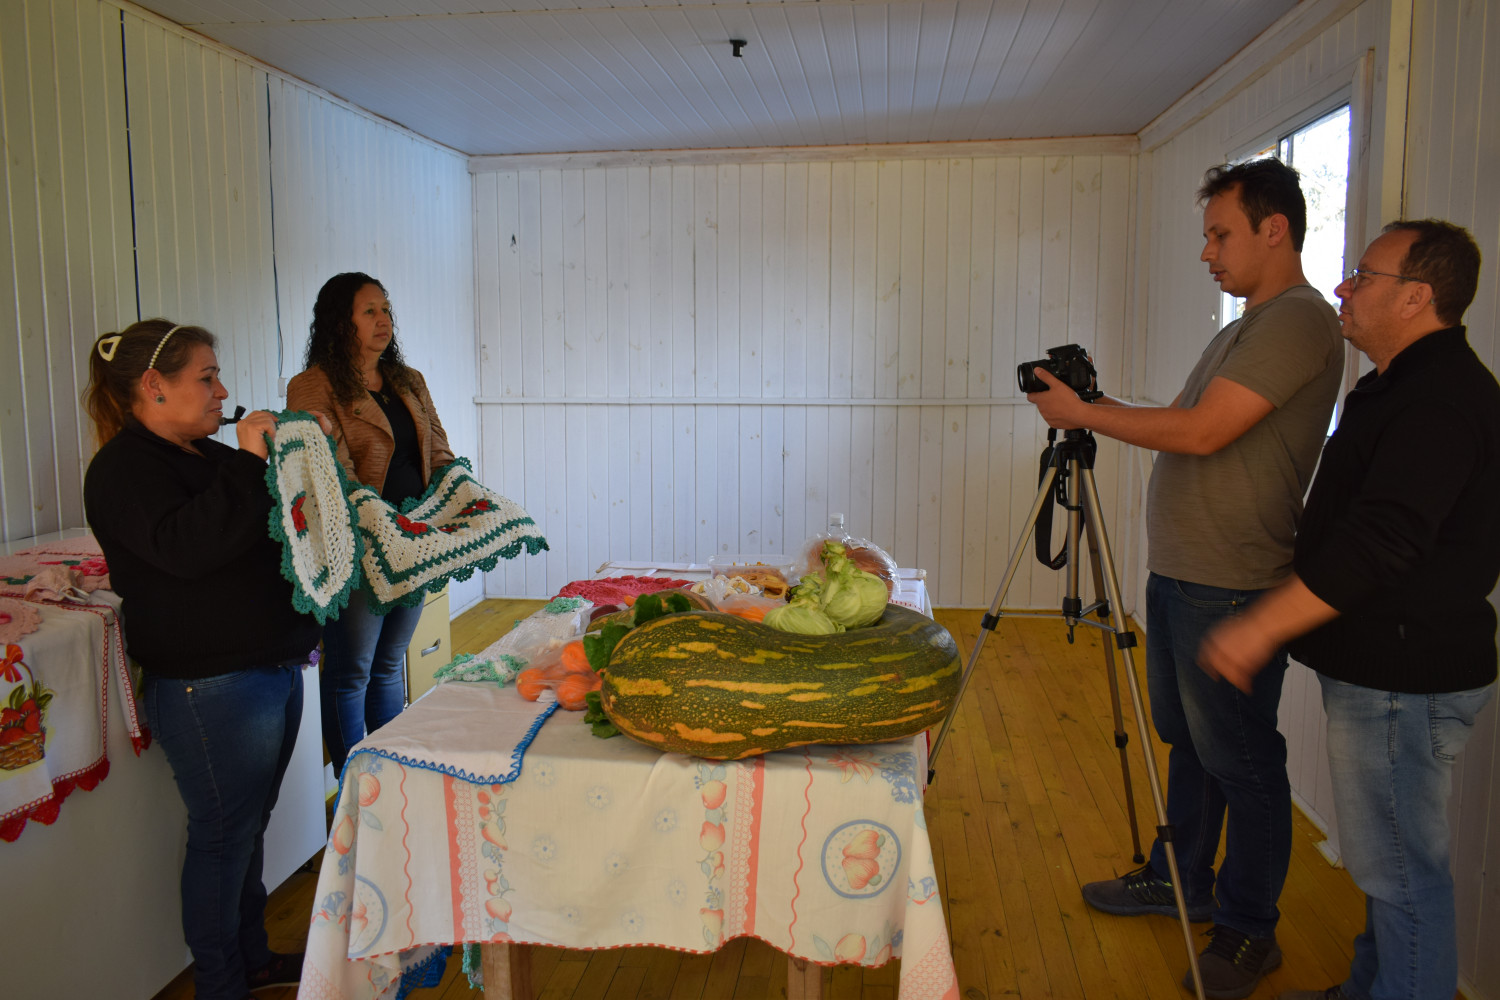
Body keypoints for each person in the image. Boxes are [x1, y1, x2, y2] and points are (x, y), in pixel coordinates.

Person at [1026, 158, 1344, 999]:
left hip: (1232, 581)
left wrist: (1086, 414)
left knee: (1242, 760)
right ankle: (1182, 880)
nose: (1208, 252)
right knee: (1192, 745)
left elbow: (1204, 434)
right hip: (1184, 574)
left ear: (1274, 228)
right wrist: (1095, 403)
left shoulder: (1300, 322)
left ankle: (1247, 934)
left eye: (1220, 233)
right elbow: (1194, 425)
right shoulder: (1243, 326)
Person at [1200, 220, 1498, 1000]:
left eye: (1363, 275)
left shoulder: (1439, 398)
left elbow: (1385, 540)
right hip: (1386, 669)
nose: (1344, 287)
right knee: (1386, 864)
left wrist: (1264, 622)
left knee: (1403, 874)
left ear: (1417, 297)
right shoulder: (1397, 385)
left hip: (1405, 677)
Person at [83, 319, 324, 1000]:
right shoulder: (122, 470)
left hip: (265, 672)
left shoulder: (205, 456)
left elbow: (268, 528)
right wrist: (252, 463)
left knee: (247, 832)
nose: (224, 391)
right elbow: (188, 549)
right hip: (210, 689)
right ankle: (222, 985)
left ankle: (252, 960)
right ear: (153, 386)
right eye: (206, 377)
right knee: (224, 841)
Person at [287, 272, 455, 774]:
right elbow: (330, 474)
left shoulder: (408, 380)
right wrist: (386, 527)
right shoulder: (313, 385)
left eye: (386, 310)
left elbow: (438, 452)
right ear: (341, 322)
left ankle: (390, 777)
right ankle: (353, 787)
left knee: (388, 665)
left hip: (415, 537)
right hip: (357, 546)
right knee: (350, 672)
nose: (383, 321)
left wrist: (459, 504)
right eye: (369, 312)